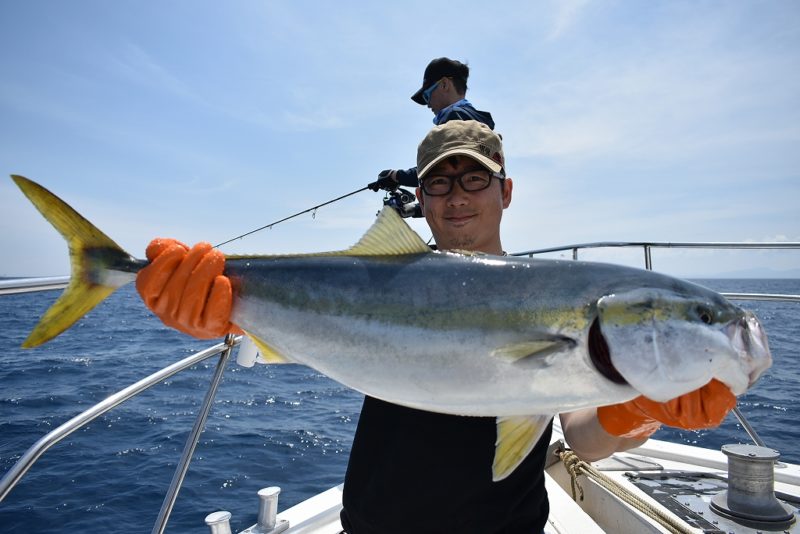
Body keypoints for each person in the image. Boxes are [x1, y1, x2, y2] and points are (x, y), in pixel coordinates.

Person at [135, 121, 736, 534]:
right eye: (438, 183)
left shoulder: (554, 296)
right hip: (374, 522)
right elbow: (307, 330)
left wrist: (639, 406)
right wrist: (223, 313)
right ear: (420, 198)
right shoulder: (383, 284)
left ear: (505, 190)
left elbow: (581, 439)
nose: (456, 197)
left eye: (473, 178)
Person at [370, 57, 495, 192]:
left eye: (426, 96)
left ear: (444, 84)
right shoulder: (478, 121)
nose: (428, 104)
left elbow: (441, 171)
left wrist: (395, 176)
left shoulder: (453, 116)